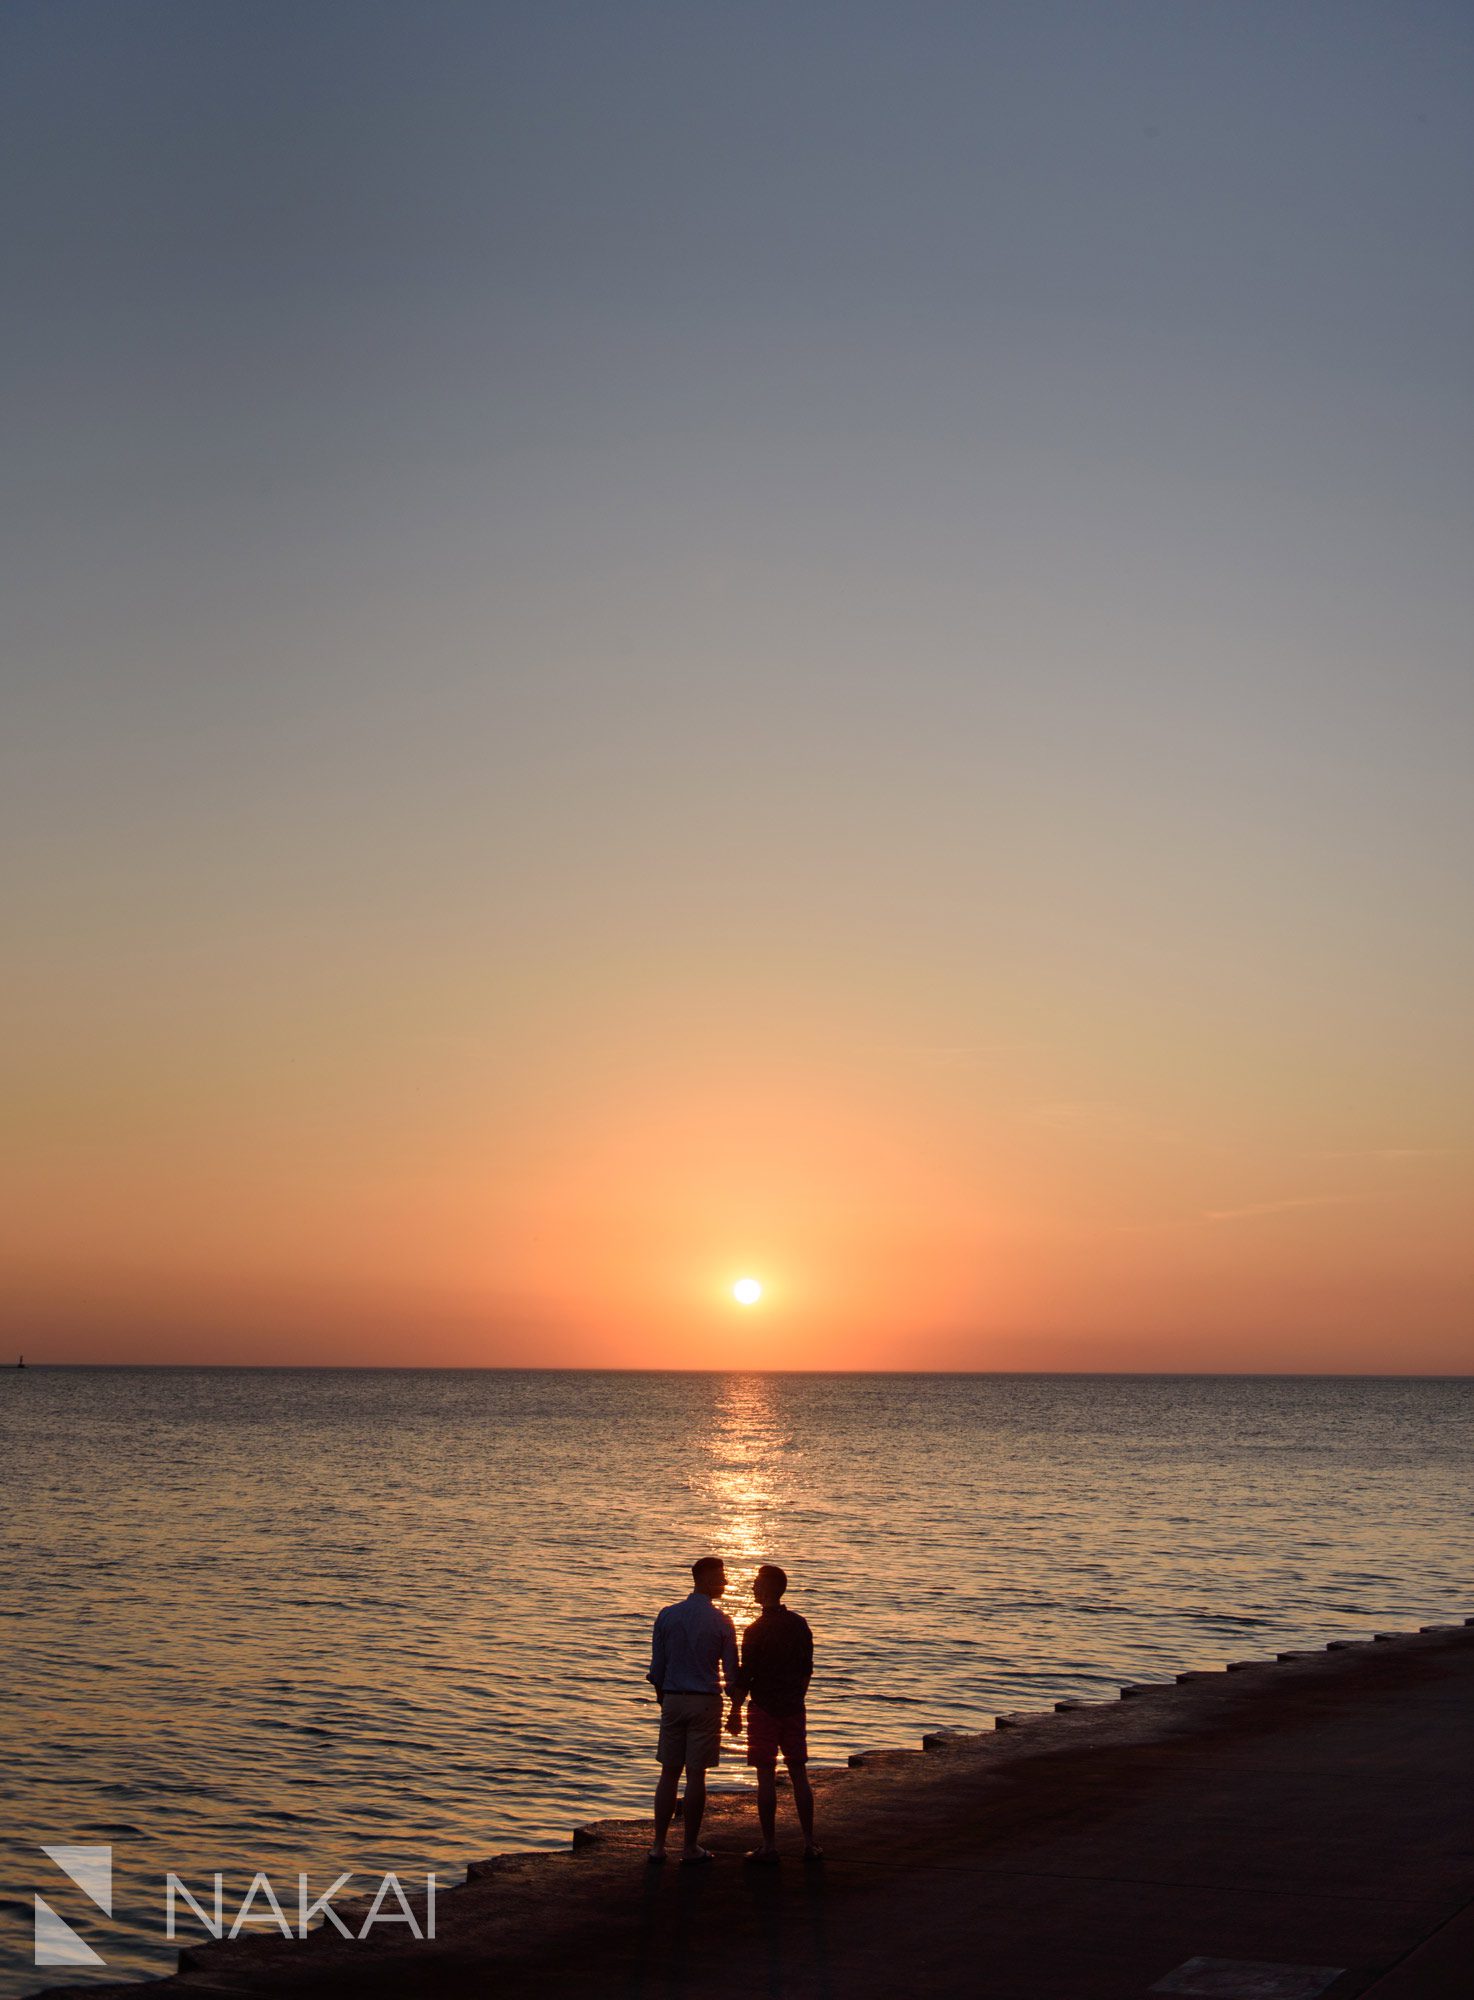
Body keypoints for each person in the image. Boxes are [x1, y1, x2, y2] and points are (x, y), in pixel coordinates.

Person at [647, 1555, 740, 1864]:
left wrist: (664, 1697)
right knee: (696, 1776)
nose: (725, 1584)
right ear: (704, 1580)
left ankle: (659, 1846)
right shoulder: (723, 1622)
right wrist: (736, 1707)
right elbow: (731, 1674)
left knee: (668, 1773)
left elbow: (657, 1670)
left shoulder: (667, 1615)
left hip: (673, 1697)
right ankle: (689, 1847)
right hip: (705, 1700)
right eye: (721, 1578)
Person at [726, 1563, 821, 1862]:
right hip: (794, 1707)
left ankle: (769, 1845)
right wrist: (797, 1698)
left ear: (767, 1589)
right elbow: (807, 1670)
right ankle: (809, 1843)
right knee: (799, 1774)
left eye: (756, 1583)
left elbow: (747, 1675)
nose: (752, 1587)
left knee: (766, 1776)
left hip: (764, 1708)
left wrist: (734, 1711)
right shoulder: (799, 1624)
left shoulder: (755, 1630)